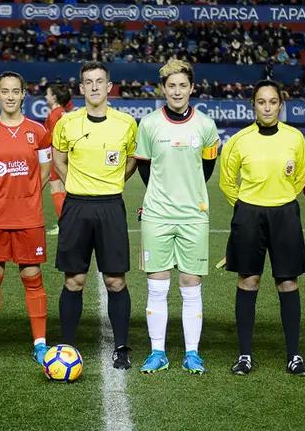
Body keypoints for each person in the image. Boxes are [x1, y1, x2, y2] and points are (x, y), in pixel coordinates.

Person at [219, 80, 305, 377]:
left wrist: (280, 200)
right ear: (253, 105)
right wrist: (246, 205)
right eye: (261, 102)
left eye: (273, 102)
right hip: (248, 215)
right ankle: (245, 355)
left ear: (280, 105)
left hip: (285, 214)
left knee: (288, 282)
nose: (267, 107)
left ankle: (294, 355)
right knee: (249, 281)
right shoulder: (238, 140)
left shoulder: (295, 138)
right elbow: (227, 181)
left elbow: (300, 179)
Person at [133, 60, 219, 375]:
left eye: (183, 85)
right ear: (163, 89)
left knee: (190, 283)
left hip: (194, 217)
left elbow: (207, 167)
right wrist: (163, 194)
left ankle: (192, 353)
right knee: (157, 286)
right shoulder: (149, 124)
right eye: (172, 86)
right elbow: (144, 166)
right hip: (156, 214)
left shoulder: (206, 126)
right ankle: (158, 352)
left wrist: (189, 193)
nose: (177, 91)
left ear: (191, 88)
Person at [52, 61, 138, 370]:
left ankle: (122, 347)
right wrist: (79, 184)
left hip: (111, 206)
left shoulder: (126, 123)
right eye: (88, 82)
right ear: (81, 88)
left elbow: (131, 162)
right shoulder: (67, 123)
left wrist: (110, 182)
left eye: (99, 81)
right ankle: (67, 347)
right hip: (76, 206)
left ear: (109, 85)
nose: (94, 87)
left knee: (115, 280)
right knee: (74, 280)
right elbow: (59, 161)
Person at [0, 72, 53, 366]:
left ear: (23, 95)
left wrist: (29, 194)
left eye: (15, 91)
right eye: (5, 91)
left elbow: (44, 170)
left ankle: (40, 344)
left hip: (29, 216)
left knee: (32, 277)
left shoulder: (38, 131)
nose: (10, 96)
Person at [44, 83, 73, 235]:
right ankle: (69, 222)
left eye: (48, 94)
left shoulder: (54, 114)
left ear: (54, 96)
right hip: (66, 154)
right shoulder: (64, 112)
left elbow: (55, 138)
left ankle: (64, 224)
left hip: (56, 154)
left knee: (55, 188)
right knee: (63, 189)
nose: (45, 96)